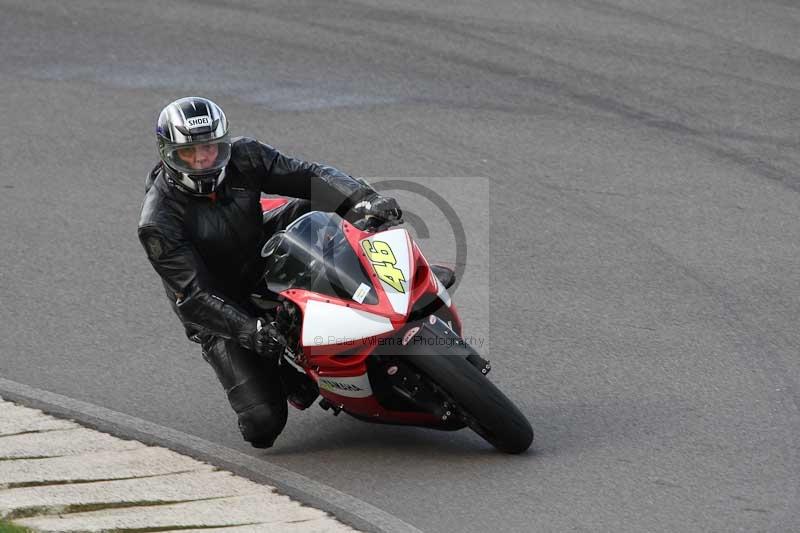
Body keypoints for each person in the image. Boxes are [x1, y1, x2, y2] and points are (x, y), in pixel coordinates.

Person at [138, 96, 401, 448]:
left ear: (223, 144)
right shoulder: (157, 221)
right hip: (217, 304)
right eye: (189, 153)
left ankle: (387, 286)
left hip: (256, 248)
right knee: (262, 426)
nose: (202, 160)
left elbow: (310, 175)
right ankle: (283, 370)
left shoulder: (245, 155)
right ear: (168, 154)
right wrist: (250, 331)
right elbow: (194, 297)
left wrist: (363, 199)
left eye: (210, 149)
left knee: (325, 202)